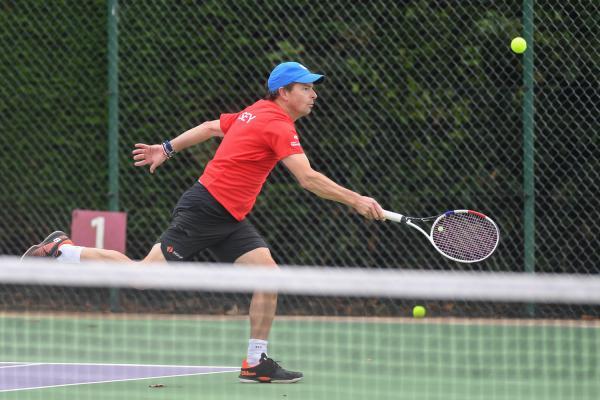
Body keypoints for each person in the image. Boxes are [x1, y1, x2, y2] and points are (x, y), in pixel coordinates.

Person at [22, 61, 385, 383]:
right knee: (142, 277)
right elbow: (307, 179)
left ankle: (255, 363)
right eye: (306, 88)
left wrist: (166, 148)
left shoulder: (253, 112)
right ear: (283, 92)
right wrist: (356, 199)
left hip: (230, 218)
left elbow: (212, 127)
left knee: (269, 276)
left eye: (312, 87)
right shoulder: (276, 124)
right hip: (205, 210)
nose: (313, 94)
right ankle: (63, 249)